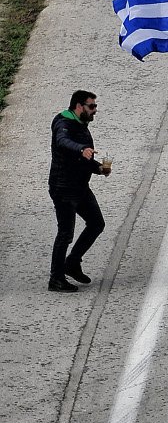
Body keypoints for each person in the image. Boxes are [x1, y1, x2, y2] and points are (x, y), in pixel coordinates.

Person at [48, 90, 109, 292]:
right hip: (63, 188)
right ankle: (56, 279)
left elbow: (83, 158)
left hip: (80, 187)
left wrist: (98, 167)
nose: (95, 111)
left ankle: (72, 262)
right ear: (79, 106)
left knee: (96, 224)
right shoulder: (63, 123)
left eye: (95, 107)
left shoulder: (81, 124)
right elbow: (63, 142)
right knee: (65, 233)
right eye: (91, 107)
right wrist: (81, 149)